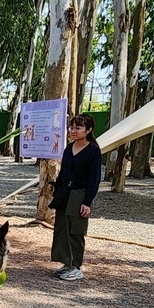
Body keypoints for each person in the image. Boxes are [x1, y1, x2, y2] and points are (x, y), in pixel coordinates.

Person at [51, 113, 102, 281]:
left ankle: (76, 265)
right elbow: (63, 172)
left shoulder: (93, 151)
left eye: (78, 128)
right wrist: (57, 190)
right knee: (62, 228)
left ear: (88, 130)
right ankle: (66, 262)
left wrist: (87, 202)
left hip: (79, 194)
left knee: (75, 230)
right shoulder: (68, 148)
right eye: (72, 127)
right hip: (65, 192)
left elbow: (94, 179)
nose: (73, 131)